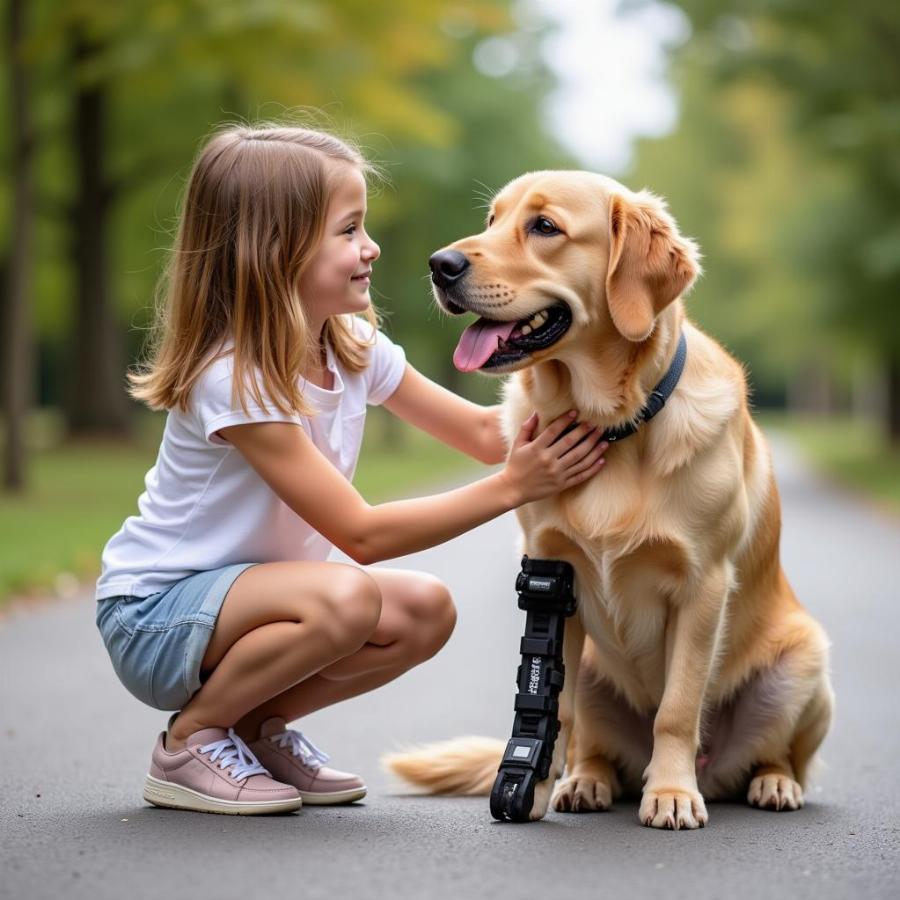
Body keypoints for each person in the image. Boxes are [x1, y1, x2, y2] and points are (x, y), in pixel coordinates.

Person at [94, 124, 609, 816]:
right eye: (348, 230)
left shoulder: (353, 346)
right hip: (154, 616)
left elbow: (491, 435)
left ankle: (253, 727)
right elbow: (362, 534)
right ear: (275, 249)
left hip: (247, 610)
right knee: (349, 596)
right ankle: (190, 742)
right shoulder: (235, 377)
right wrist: (516, 485)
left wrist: (617, 404)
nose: (370, 248)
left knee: (425, 611)